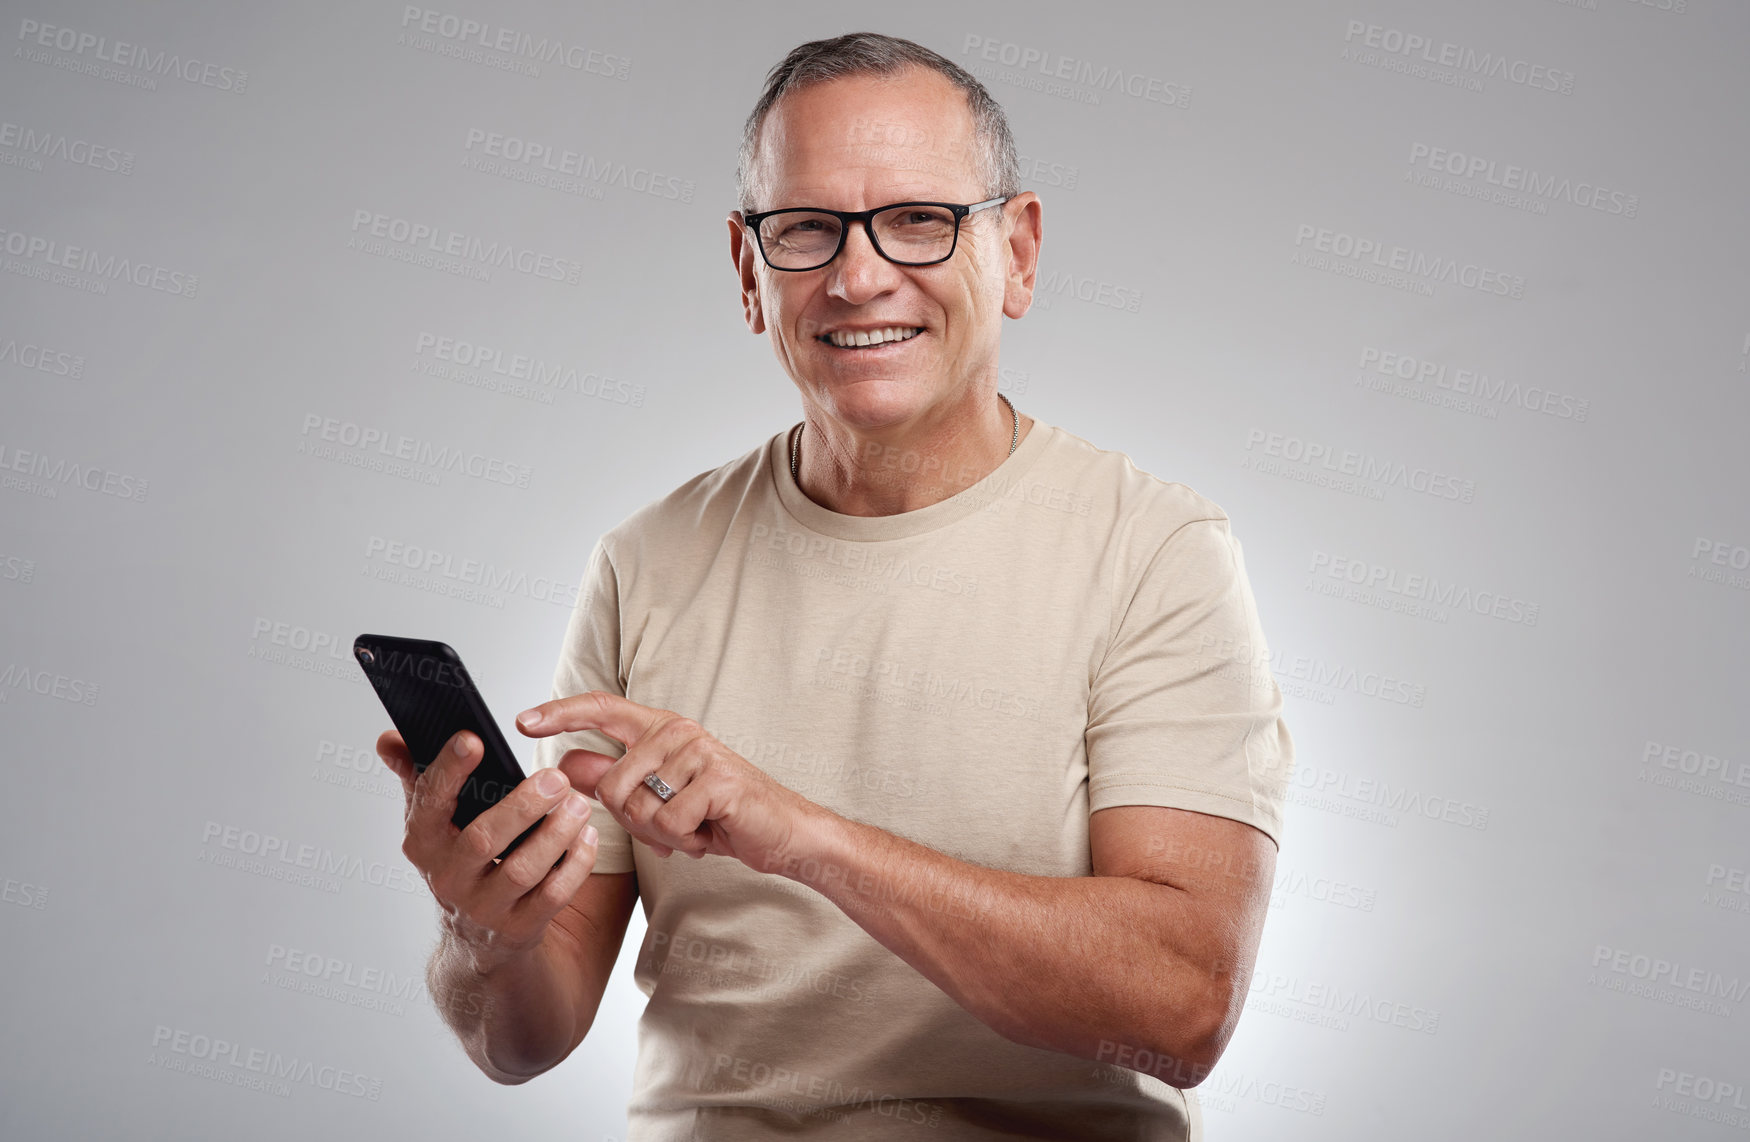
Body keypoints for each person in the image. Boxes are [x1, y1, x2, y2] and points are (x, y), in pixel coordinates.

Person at [375, 31, 1292, 1141]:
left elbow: (1179, 1004)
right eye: (806, 229)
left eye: (919, 219)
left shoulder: (1156, 550)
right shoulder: (645, 560)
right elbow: (526, 1037)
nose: (859, 277)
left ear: (1019, 253)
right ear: (747, 271)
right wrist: (485, 926)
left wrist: (798, 833)